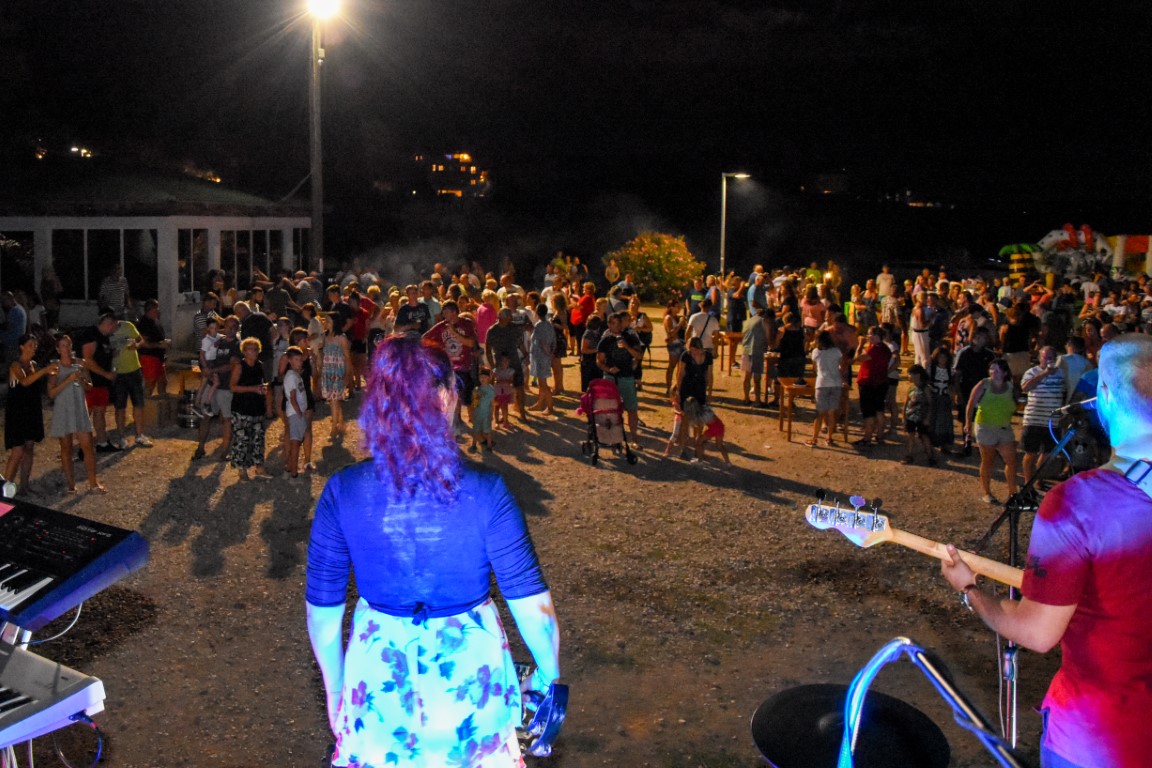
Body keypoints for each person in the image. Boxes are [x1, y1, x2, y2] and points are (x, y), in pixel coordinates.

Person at [305, 335, 560, 768]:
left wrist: (336, 689)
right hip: (470, 680)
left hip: (378, 677)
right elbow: (534, 609)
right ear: (444, 397)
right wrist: (549, 681)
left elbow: (323, 617)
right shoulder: (487, 492)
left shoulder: (343, 491)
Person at [941, 333, 1152, 768]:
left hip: (1097, 741)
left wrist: (970, 590)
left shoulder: (1080, 502)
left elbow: (1036, 632)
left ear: (1105, 395)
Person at [47, 333, 104, 493]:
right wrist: (68, 380)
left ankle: (93, 483)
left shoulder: (80, 363)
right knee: (66, 448)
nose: (67, 349)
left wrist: (82, 381)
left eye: (69, 345)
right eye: (63, 346)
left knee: (87, 446)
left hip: (79, 407)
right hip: (63, 409)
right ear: (58, 349)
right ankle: (71, 485)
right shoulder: (55, 367)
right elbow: (51, 393)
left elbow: (89, 386)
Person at [5, 335, 56, 494]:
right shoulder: (16, 365)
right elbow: (25, 381)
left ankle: (24, 486)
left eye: (35, 345)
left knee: (29, 448)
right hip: (17, 412)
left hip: (31, 410)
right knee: (17, 450)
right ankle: (5, 488)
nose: (33, 347)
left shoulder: (33, 364)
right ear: (21, 347)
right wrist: (44, 370)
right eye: (30, 344)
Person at [965, 358, 1019, 504]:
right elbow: (971, 403)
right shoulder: (984, 385)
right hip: (985, 427)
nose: (993, 372)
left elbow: (1016, 403)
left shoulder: (1010, 386)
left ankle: (1012, 492)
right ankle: (987, 492)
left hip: (1004, 427)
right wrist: (968, 423)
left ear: (1005, 372)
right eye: (991, 369)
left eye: (997, 369)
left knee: (1011, 461)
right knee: (988, 461)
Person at [1020, 345, 1066, 485]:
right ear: (1040, 358)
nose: (1048, 360)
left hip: (1052, 420)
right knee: (1031, 453)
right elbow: (1025, 387)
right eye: (1046, 357)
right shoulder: (1031, 372)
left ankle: (1038, 478)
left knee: (1047, 454)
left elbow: (1066, 391)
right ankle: (1028, 482)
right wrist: (1045, 373)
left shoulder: (1061, 374)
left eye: (1051, 358)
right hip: (1034, 419)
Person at [596, 311, 644, 446]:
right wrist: (608, 369)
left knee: (632, 408)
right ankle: (611, 437)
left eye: (618, 323)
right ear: (609, 324)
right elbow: (599, 361)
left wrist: (627, 347)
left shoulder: (630, 338)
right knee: (609, 409)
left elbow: (639, 356)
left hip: (626, 376)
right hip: (610, 377)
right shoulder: (605, 341)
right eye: (613, 323)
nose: (616, 326)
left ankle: (634, 437)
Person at [229, 337, 273, 481]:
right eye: (250, 349)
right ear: (244, 352)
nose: (253, 352)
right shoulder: (239, 366)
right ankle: (241, 469)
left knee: (258, 439)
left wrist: (268, 404)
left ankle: (259, 466)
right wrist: (252, 389)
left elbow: (265, 384)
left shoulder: (260, 366)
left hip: (257, 408)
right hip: (242, 408)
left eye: (256, 349)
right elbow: (233, 387)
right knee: (242, 439)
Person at [110, 318, 154, 448]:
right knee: (120, 407)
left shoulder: (127, 326)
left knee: (138, 404)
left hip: (134, 370)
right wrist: (112, 354)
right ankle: (122, 437)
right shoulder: (105, 332)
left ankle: (140, 435)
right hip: (118, 372)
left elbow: (140, 340)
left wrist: (137, 345)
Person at [852, 326, 892, 447]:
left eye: (869, 334)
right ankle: (879, 435)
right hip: (881, 381)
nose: (867, 336)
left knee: (868, 412)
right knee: (879, 409)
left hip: (868, 382)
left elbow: (857, 358)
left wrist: (860, 345)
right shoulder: (885, 348)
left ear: (875, 336)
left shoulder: (873, 350)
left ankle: (867, 438)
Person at [319, 316, 353, 442]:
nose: (325, 322)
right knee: (334, 399)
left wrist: (347, 375)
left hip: (338, 372)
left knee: (333, 399)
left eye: (328, 321)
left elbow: (347, 358)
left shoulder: (341, 338)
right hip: (327, 371)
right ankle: (341, 422)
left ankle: (334, 428)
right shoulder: (325, 336)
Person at [808, 330, 843, 447]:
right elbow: (841, 365)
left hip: (822, 383)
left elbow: (814, 367)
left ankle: (814, 438)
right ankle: (829, 437)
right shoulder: (836, 351)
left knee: (820, 413)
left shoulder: (816, 352)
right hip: (836, 383)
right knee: (832, 412)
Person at [902, 364, 937, 466]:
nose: (908, 377)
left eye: (910, 374)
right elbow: (906, 403)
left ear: (917, 375)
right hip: (910, 416)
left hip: (922, 417)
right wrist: (904, 416)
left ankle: (930, 456)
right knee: (910, 435)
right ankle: (909, 454)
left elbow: (930, 404)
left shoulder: (926, 389)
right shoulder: (911, 388)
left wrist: (927, 418)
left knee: (924, 436)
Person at [282, 346, 307, 479]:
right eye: (296, 359)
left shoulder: (295, 375)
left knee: (296, 441)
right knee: (295, 443)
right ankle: (294, 473)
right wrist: (299, 413)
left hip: (296, 412)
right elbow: (292, 398)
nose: (299, 362)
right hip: (295, 413)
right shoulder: (291, 376)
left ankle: (289, 467)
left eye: (300, 359)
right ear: (290, 361)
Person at [136, 299, 170, 397]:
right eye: (156, 309)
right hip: (149, 357)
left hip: (158, 357)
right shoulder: (144, 323)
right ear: (150, 310)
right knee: (150, 383)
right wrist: (159, 345)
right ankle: (145, 403)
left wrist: (164, 342)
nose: (158, 311)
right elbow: (143, 343)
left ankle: (162, 401)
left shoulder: (155, 321)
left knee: (163, 381)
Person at [528, 304, 556, 415]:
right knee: (541, 382)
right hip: (545, 356)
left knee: (543, 383)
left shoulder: (539, 325)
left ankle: (550, 406)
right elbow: (553, 340)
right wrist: (551, 353)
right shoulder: (549, 324)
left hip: (540, 357)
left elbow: (542, 342)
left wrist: (547, 353)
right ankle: (540, 403)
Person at [472, 367, 496, 452]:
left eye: (485, 377)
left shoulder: (491, 390)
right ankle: (474, 444)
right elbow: (475, 403)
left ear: (489, 378)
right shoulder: (477, 389)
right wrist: (475, 395)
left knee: (487, 430)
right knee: (476, 429)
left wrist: (491, 414)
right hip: (478, 413)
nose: (483, 379)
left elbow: (492, 404)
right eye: (481, 377)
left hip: (486, 413)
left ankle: (489, 445)